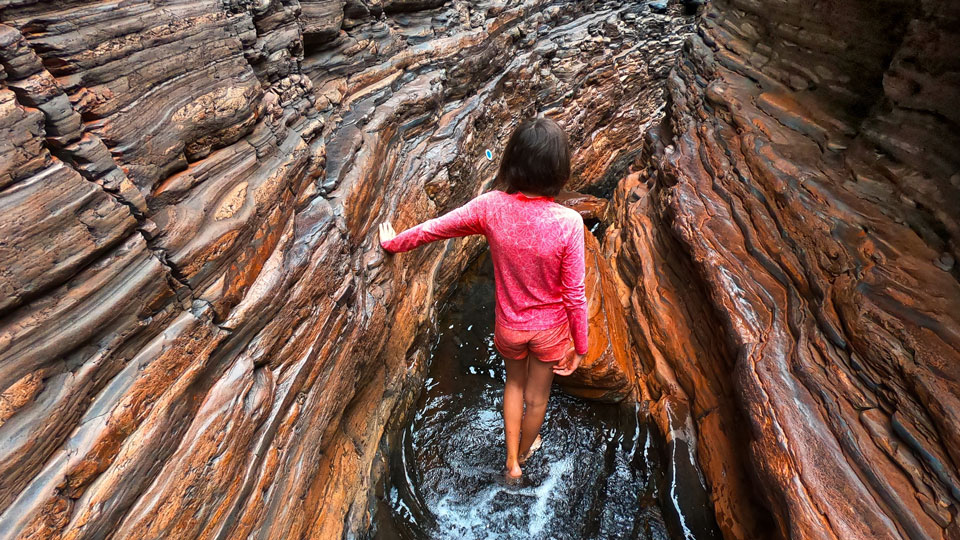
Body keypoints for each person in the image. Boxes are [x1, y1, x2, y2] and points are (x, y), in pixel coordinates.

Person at [379, 117, 587, 480]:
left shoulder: (492, 207)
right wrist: (579, 346)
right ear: (560, 170)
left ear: (511, 163)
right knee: (536, 399)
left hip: (510, 327)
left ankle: (509, 461)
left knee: (513, 385)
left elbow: (438, 228)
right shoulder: (568, 223)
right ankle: (523, 455)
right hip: (550, 331)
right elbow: (575, 295)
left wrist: (394, 242)